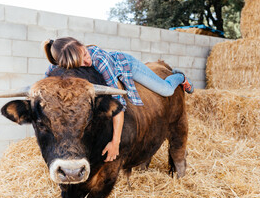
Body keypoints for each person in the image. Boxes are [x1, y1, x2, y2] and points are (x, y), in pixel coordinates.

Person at [43, 37, 193, 163]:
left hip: (126, 65)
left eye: (84, 53)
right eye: (80, 62)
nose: (86, 61)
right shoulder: (56, 67)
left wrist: (115, 143)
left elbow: (118, 103)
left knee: (165, 90)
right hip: (109, 68)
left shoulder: (101, 61)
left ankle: (180, 77)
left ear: (83, 46)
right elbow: (48, 78)